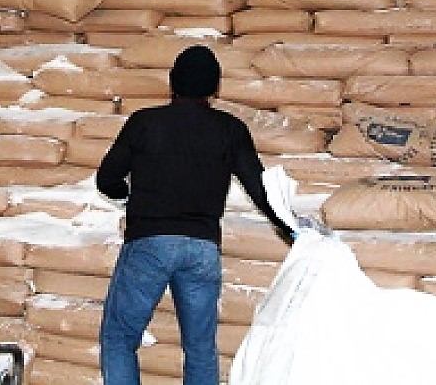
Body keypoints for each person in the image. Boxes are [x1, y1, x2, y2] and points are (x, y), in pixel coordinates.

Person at [96, 45, 295, 385]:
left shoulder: (144, 122)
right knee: (200, 347)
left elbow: (107, 179)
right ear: (215, 88)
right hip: (202, 249)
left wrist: (125, 194)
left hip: (150, 243)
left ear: (172, 83)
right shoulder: (230, 130)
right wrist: (290, 228)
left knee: (120, 339)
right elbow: (259, 189)